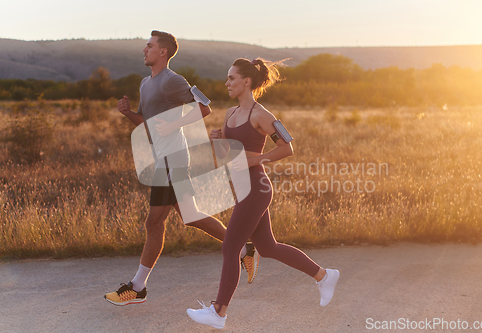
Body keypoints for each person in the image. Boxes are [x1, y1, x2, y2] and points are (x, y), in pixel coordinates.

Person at [104, 31, 259, 306]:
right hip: (163, 158)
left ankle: (138, 287)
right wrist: (128, 113)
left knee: (154, 222)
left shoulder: (172, 81)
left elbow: (205, 107)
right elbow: (150, 126)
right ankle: (243, 246)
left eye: (149, 46)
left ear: (162, 52)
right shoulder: (145, 83)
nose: (144, 49)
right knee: (191, 215)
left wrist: (175, 124)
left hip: (172, 159)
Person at [186, 58, 340, 329]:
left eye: (232, 78)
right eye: (227, 78)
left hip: (256, 188)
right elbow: (228, 156)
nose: (227, 83)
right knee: (267, 248)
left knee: (230, 247)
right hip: (242, 188)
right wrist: (219, 140)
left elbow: (287, 147)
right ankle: (324, 276)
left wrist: (257, 160)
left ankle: (219, 312)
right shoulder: (231, 114)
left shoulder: (261, 114)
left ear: (247, 81)